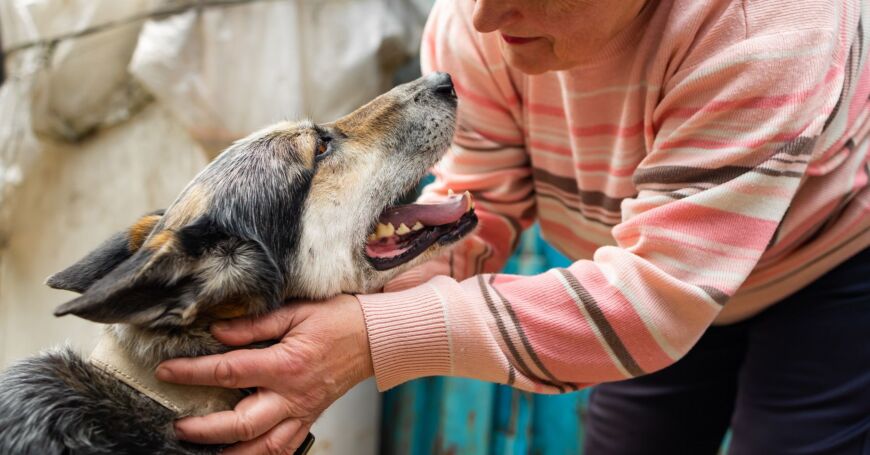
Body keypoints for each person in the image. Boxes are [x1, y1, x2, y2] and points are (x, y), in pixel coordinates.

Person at [155, 0, 870, 453]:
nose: (487, 18)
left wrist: (372, 339)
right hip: (632, 256)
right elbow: (485, 200)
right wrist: (402, 275)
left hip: (823, 262)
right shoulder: (481, 18)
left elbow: (651, 301)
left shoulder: (771, 23)